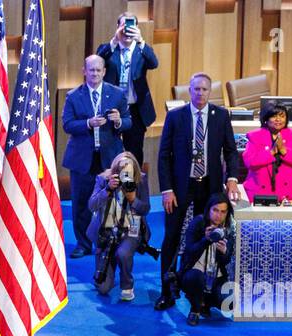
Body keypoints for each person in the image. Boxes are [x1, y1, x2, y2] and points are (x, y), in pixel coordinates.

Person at [155, 73, 243, 311]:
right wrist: (166, 190)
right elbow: (163, 156)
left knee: (210, 235)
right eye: (196, 89)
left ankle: (202, 291)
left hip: (210, 185)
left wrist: (232, 179)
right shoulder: (176, 117)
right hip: (181, 187)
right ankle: (167, 291)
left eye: (205, 89)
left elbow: (231, 152)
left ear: (210, 91)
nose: (200, 93)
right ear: (189, 91)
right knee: (172, 236)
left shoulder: (221, 116)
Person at [62, 55, 131, 259]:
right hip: (83, 159)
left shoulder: (117, 94)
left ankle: (109, 241)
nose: (94, 73)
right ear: (84, 71)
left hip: (109, 158)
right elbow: (67, 125)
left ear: (104, 71)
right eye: (91, 70)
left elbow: (129, 122)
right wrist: (88, 124)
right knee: (81, 202)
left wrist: (119, 121)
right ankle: (83, 244)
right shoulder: (73, 96)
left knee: (111, 201)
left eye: (98, 70)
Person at [86, 151, 151, 300]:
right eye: (121, 171)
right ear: (115, 170)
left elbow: (146, 209)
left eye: (128, 172)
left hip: (130, 230)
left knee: (123, 253)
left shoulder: (140, 180)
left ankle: (127, 284)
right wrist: (107, 190)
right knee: (103, 288)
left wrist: (133, 199)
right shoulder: (103, 179)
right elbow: (92, 206)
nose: (125, 176)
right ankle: (110, 260)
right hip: (106, 232)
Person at [97, 13, 159, 164]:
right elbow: (97, 61)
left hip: (136, 110)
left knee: (134, 152)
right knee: (110, 150)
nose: (127, 31)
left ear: (137, 28)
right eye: (123, 26)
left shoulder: (142, 50)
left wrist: (141, 41)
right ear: (117, 27)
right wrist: (114, 41)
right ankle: (112, 185)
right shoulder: (109, 49)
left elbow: (154, 63)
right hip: (112, 109)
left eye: (131, 26)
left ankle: (131, 186)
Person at [178, 194, 234, 326]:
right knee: (195, 277)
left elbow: (226, 261)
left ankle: (206, 302)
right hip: (194, 273)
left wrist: (224, 251)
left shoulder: (229, 229)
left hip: (216, 277)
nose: (218, 215)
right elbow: (189, 252)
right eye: (215, 210)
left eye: (222, 212)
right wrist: (206, 240)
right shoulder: (198, 223)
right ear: (208, 210)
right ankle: (195, 309)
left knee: (230, 302)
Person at [242, 104, 292, 202]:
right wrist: (271, 152)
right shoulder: (254, 137)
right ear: (266, 119)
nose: (278, 119)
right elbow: (250, 162)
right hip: (260, 191)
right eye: (274, 116)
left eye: (282, 116)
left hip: (290, 191)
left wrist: (285, 151)